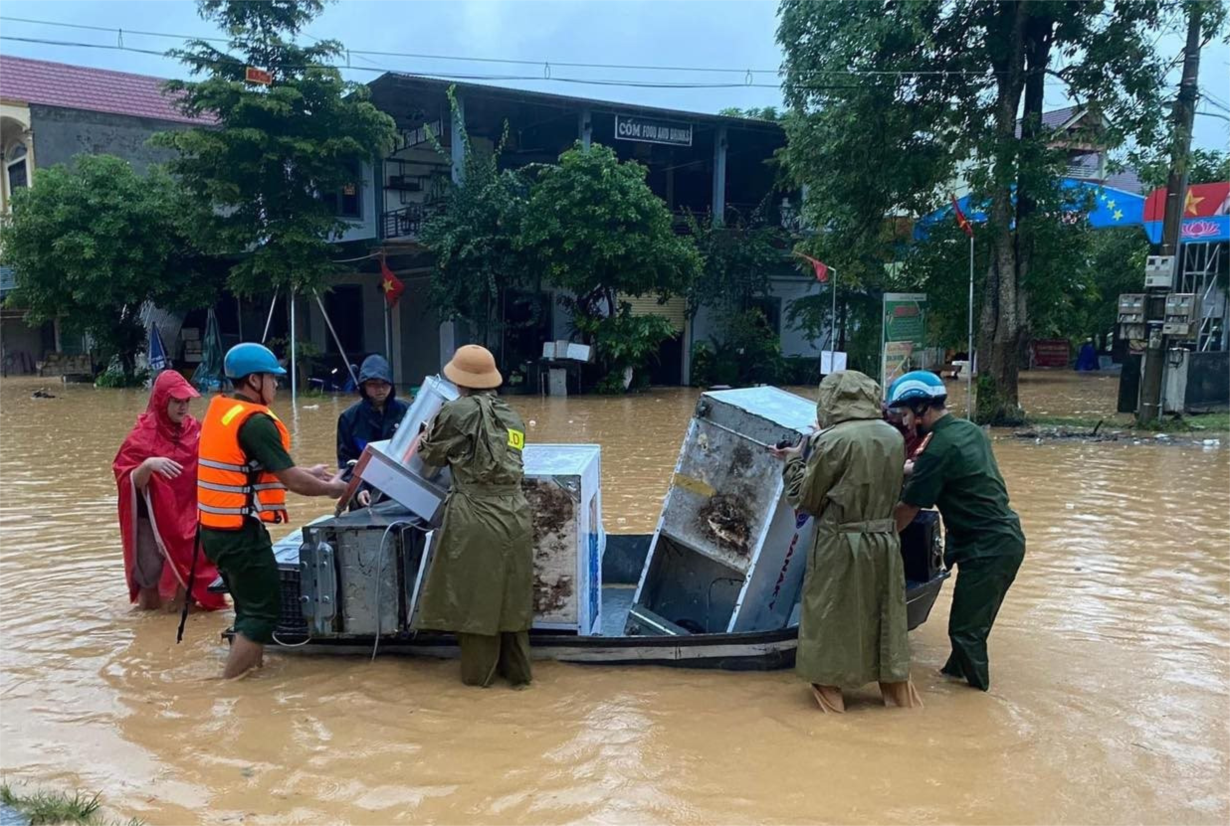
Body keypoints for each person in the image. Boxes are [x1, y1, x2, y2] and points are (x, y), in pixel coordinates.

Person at [771, 370, 921, 713]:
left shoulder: (831, 441)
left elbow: (808, 500)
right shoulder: (893, 437)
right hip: (884, 541)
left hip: (840, 542)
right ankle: (903, 708)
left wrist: (793, 461)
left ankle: (833, 718)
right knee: (884, 617)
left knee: (828, 622)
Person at [198, 343, 348, 679]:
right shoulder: (255, 423)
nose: (277, 385)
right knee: (262, 615)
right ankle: (229, 686)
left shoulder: (224, 411)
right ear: (254, 380)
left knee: (247, 610)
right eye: (273, 378)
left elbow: (251, 470)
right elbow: (292, 481)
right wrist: (333, 488)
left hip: (214, 530)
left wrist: (310, 471)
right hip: (240, 534)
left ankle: (252, 677)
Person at [889, 370, 1026, 692]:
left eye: (907, 414)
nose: (906, 423)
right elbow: (930, 468)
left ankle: (978, 705)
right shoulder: (968, 431)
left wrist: (875, 538)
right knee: (970, 625)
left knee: (966, 632)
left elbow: (907, 510)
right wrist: (906, 467)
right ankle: (954, 678)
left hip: (986, 548)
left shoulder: (939, 449)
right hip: (1002, 539)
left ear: (923, 408)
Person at [412, 344, 534, 688]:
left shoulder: (455, 412)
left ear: (459, 380)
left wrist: (424, 436)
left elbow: (429, 460)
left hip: (477, 516)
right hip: (517, 515)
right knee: (512, 607)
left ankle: (476, 691)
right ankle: (521, 681)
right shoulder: (512, 416)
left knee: (477, 609)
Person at [113, 370, 226, 613]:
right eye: (177, 401)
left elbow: (221, 460)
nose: (183, 407)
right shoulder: (142, 437)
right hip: (150, 521)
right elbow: (127, 479)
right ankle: (151, 633)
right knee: (149, 586)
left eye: (186, 401)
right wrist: (149, 465)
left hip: (187, 517)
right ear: (162, 400)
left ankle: (180, 623)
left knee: (193, 575)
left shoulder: (196, 431)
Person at [337, 354, 410, 507]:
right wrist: (358, 490)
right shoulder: (349, 418)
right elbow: (346, 462)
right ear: (363, 386)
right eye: (373, 384)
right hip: (364, 493)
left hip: (402, 491)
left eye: (385, 383)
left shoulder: (408, 411)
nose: (380, 389)